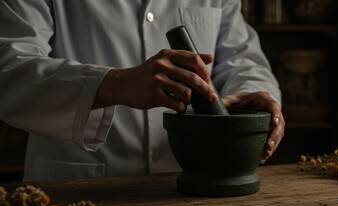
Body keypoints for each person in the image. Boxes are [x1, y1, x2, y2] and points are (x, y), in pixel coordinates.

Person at [0, 0, 285, 181]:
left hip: (193, 193)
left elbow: (244, 60)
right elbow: (10, 68)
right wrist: (114, 84)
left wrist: (253, 95)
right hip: (77, 185)